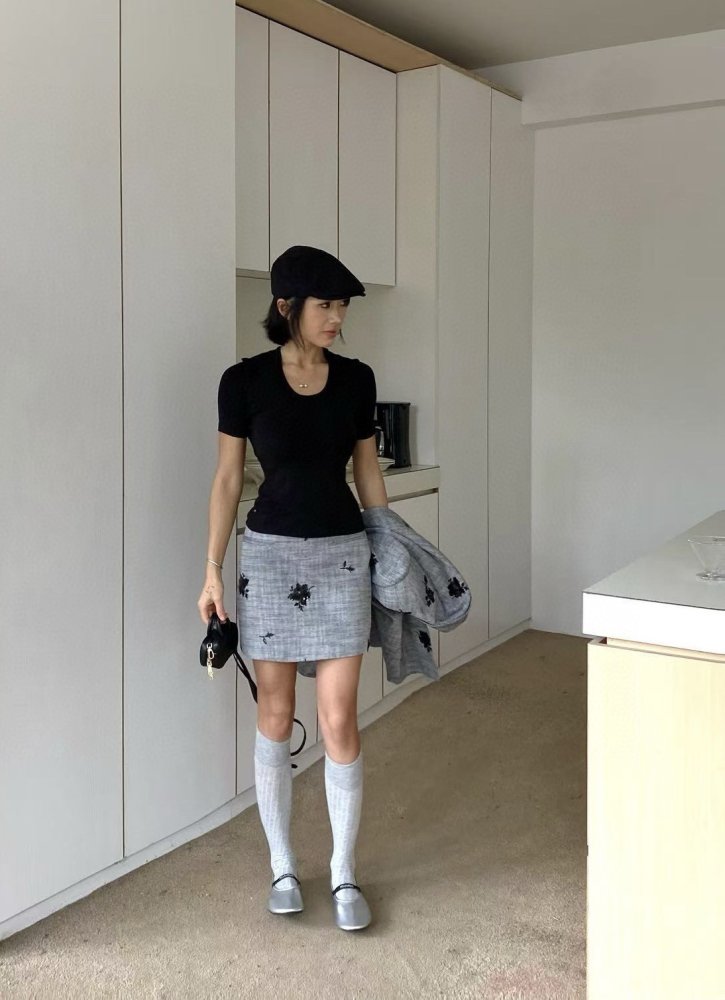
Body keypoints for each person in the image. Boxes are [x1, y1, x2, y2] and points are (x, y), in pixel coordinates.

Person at [197, 245, 389, 932]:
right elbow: (228, 479)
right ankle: (282, 864)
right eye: (325, 305)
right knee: (275, 715)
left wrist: (391, 547)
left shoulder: (357, 380)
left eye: (342, 306)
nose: (337, 318)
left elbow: (366, 472)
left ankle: (342, 871)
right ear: (287, 307)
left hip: (342, 557)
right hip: (271, 557)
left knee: (339, 718)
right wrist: (213, 568)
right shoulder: (243, 381)